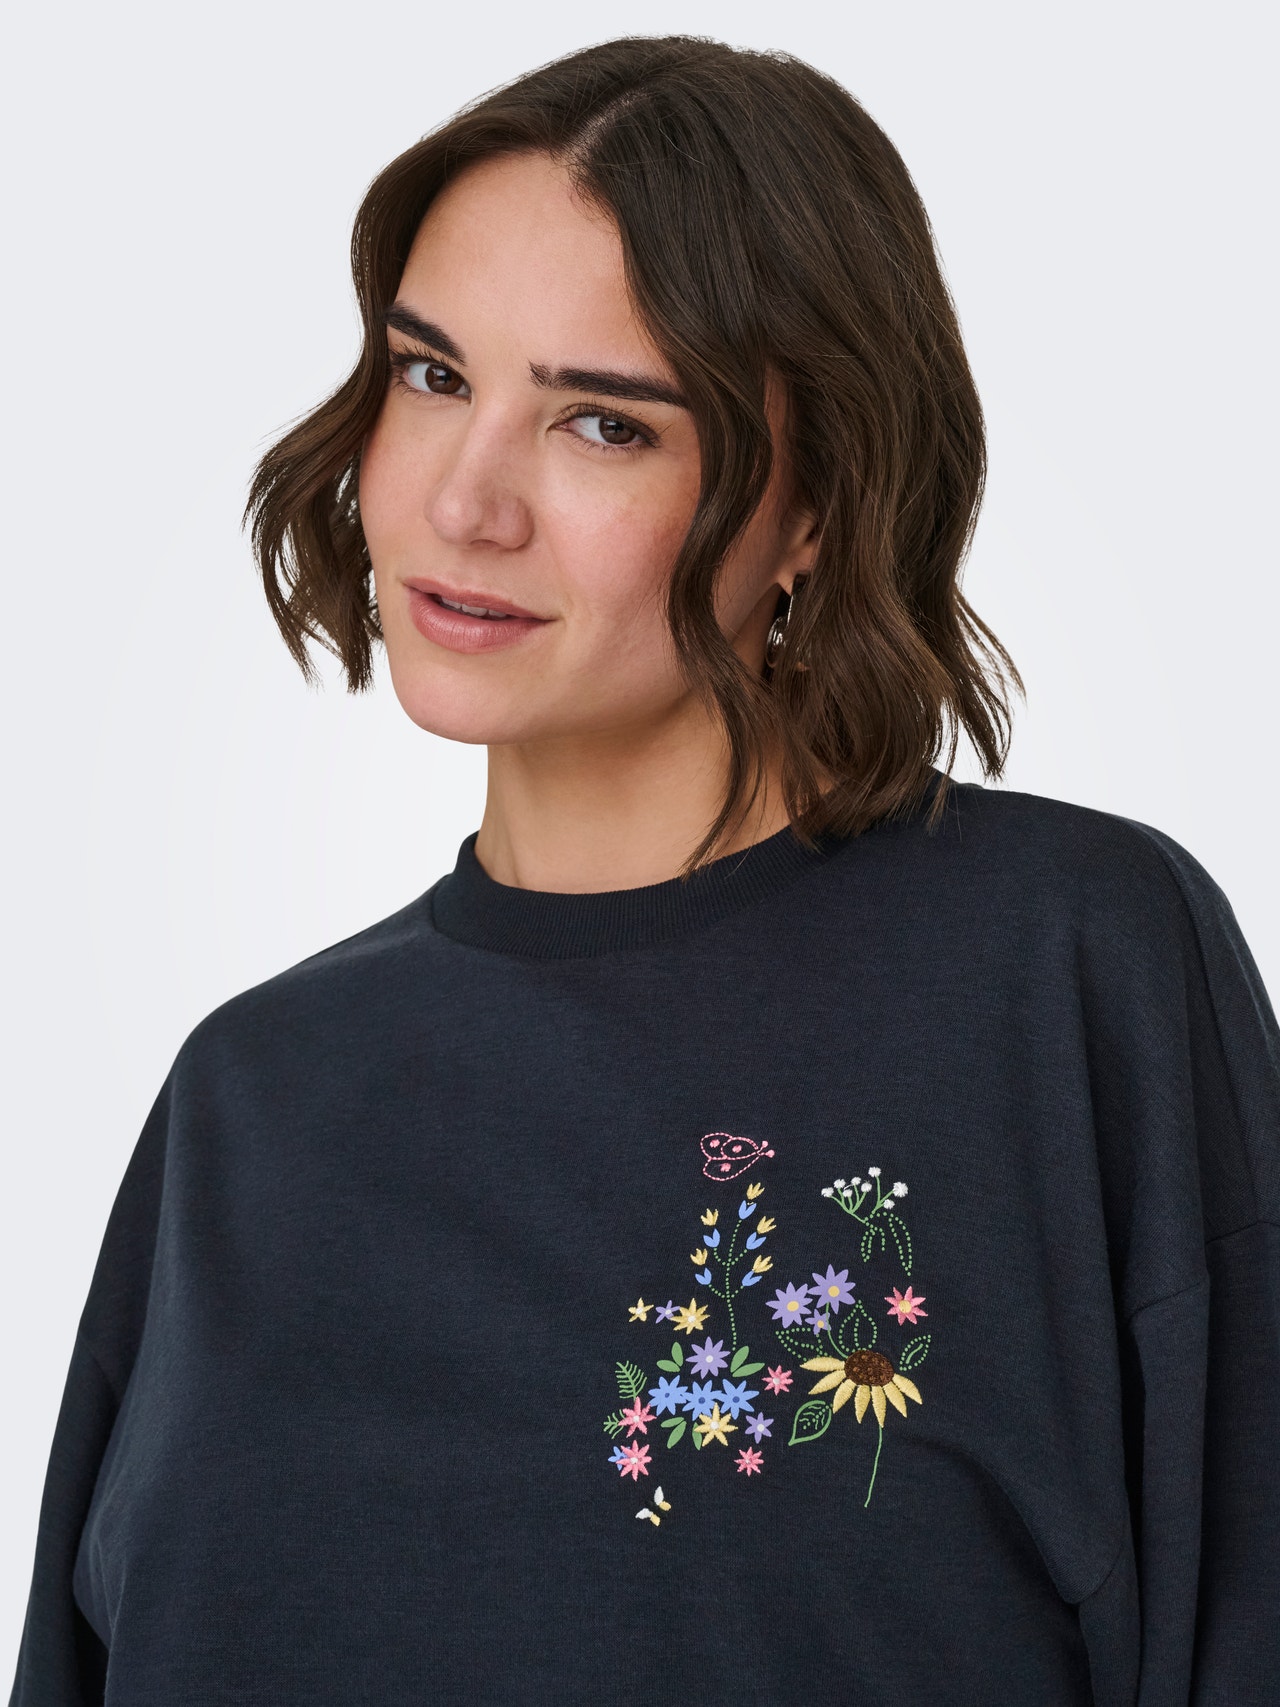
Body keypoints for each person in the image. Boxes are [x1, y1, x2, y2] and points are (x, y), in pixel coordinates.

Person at [9, 34, 1278, 1707]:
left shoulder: (1071, 969)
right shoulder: (251, 1096)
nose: (464, 503)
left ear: (817, 504)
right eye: (432, 375)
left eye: (603, 423)